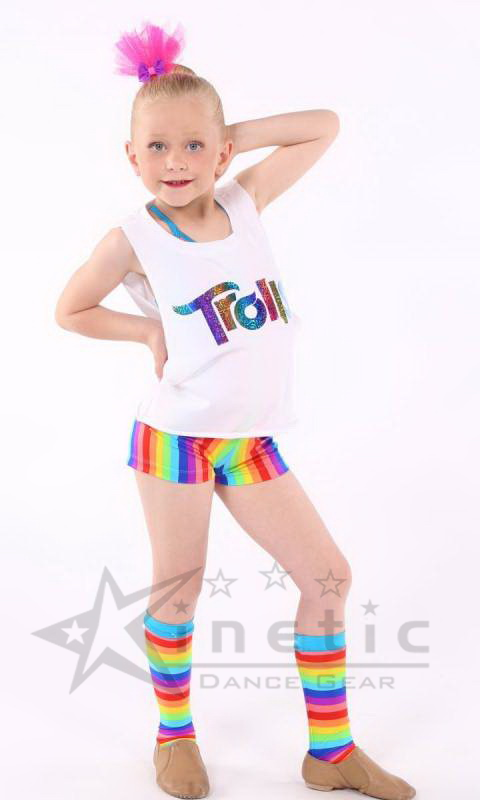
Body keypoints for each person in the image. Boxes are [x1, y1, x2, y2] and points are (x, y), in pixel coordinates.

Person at [54, 19, 416, 800]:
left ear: (221, 153)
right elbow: (70, 309)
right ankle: (174, 735)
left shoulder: (245, 199)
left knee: (328, 577)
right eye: (157, 147)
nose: (176, 163)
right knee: (179, 588)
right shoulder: (131, 238)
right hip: (176, 439)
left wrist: (225, 138)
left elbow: (323, 126)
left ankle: (331, 750)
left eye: (194, 146)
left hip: (249, 441)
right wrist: (144, 329)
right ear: (130, 156)